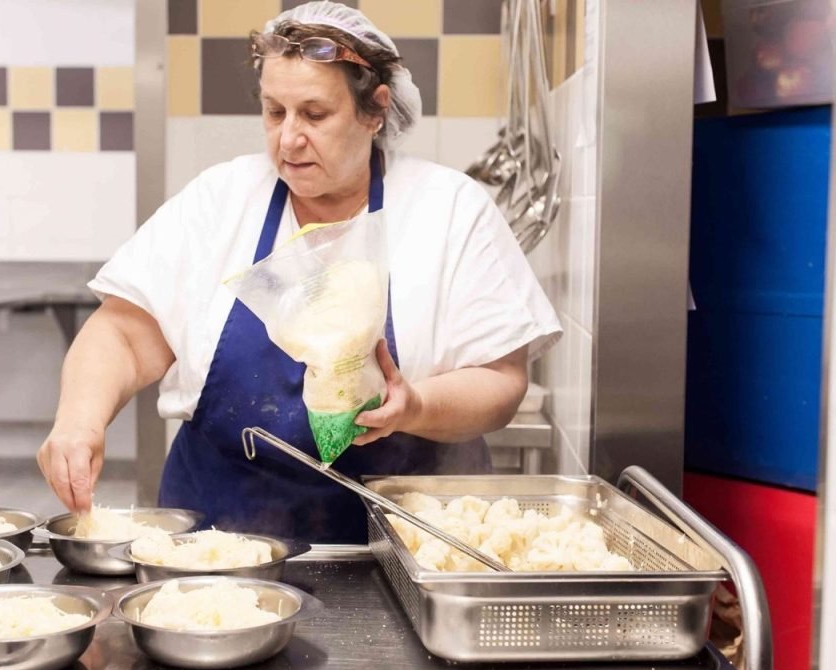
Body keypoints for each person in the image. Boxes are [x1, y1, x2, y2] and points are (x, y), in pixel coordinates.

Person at [36, 0, 561, 543]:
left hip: (403, 548)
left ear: (375, 109)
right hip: (219, 545)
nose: (288, 138)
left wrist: (416, 407)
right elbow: (123, 334)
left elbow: (502, 382)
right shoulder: (222, 201)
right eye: (274, 111)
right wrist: (79, 419)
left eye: (314, 114)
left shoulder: (448, 208)